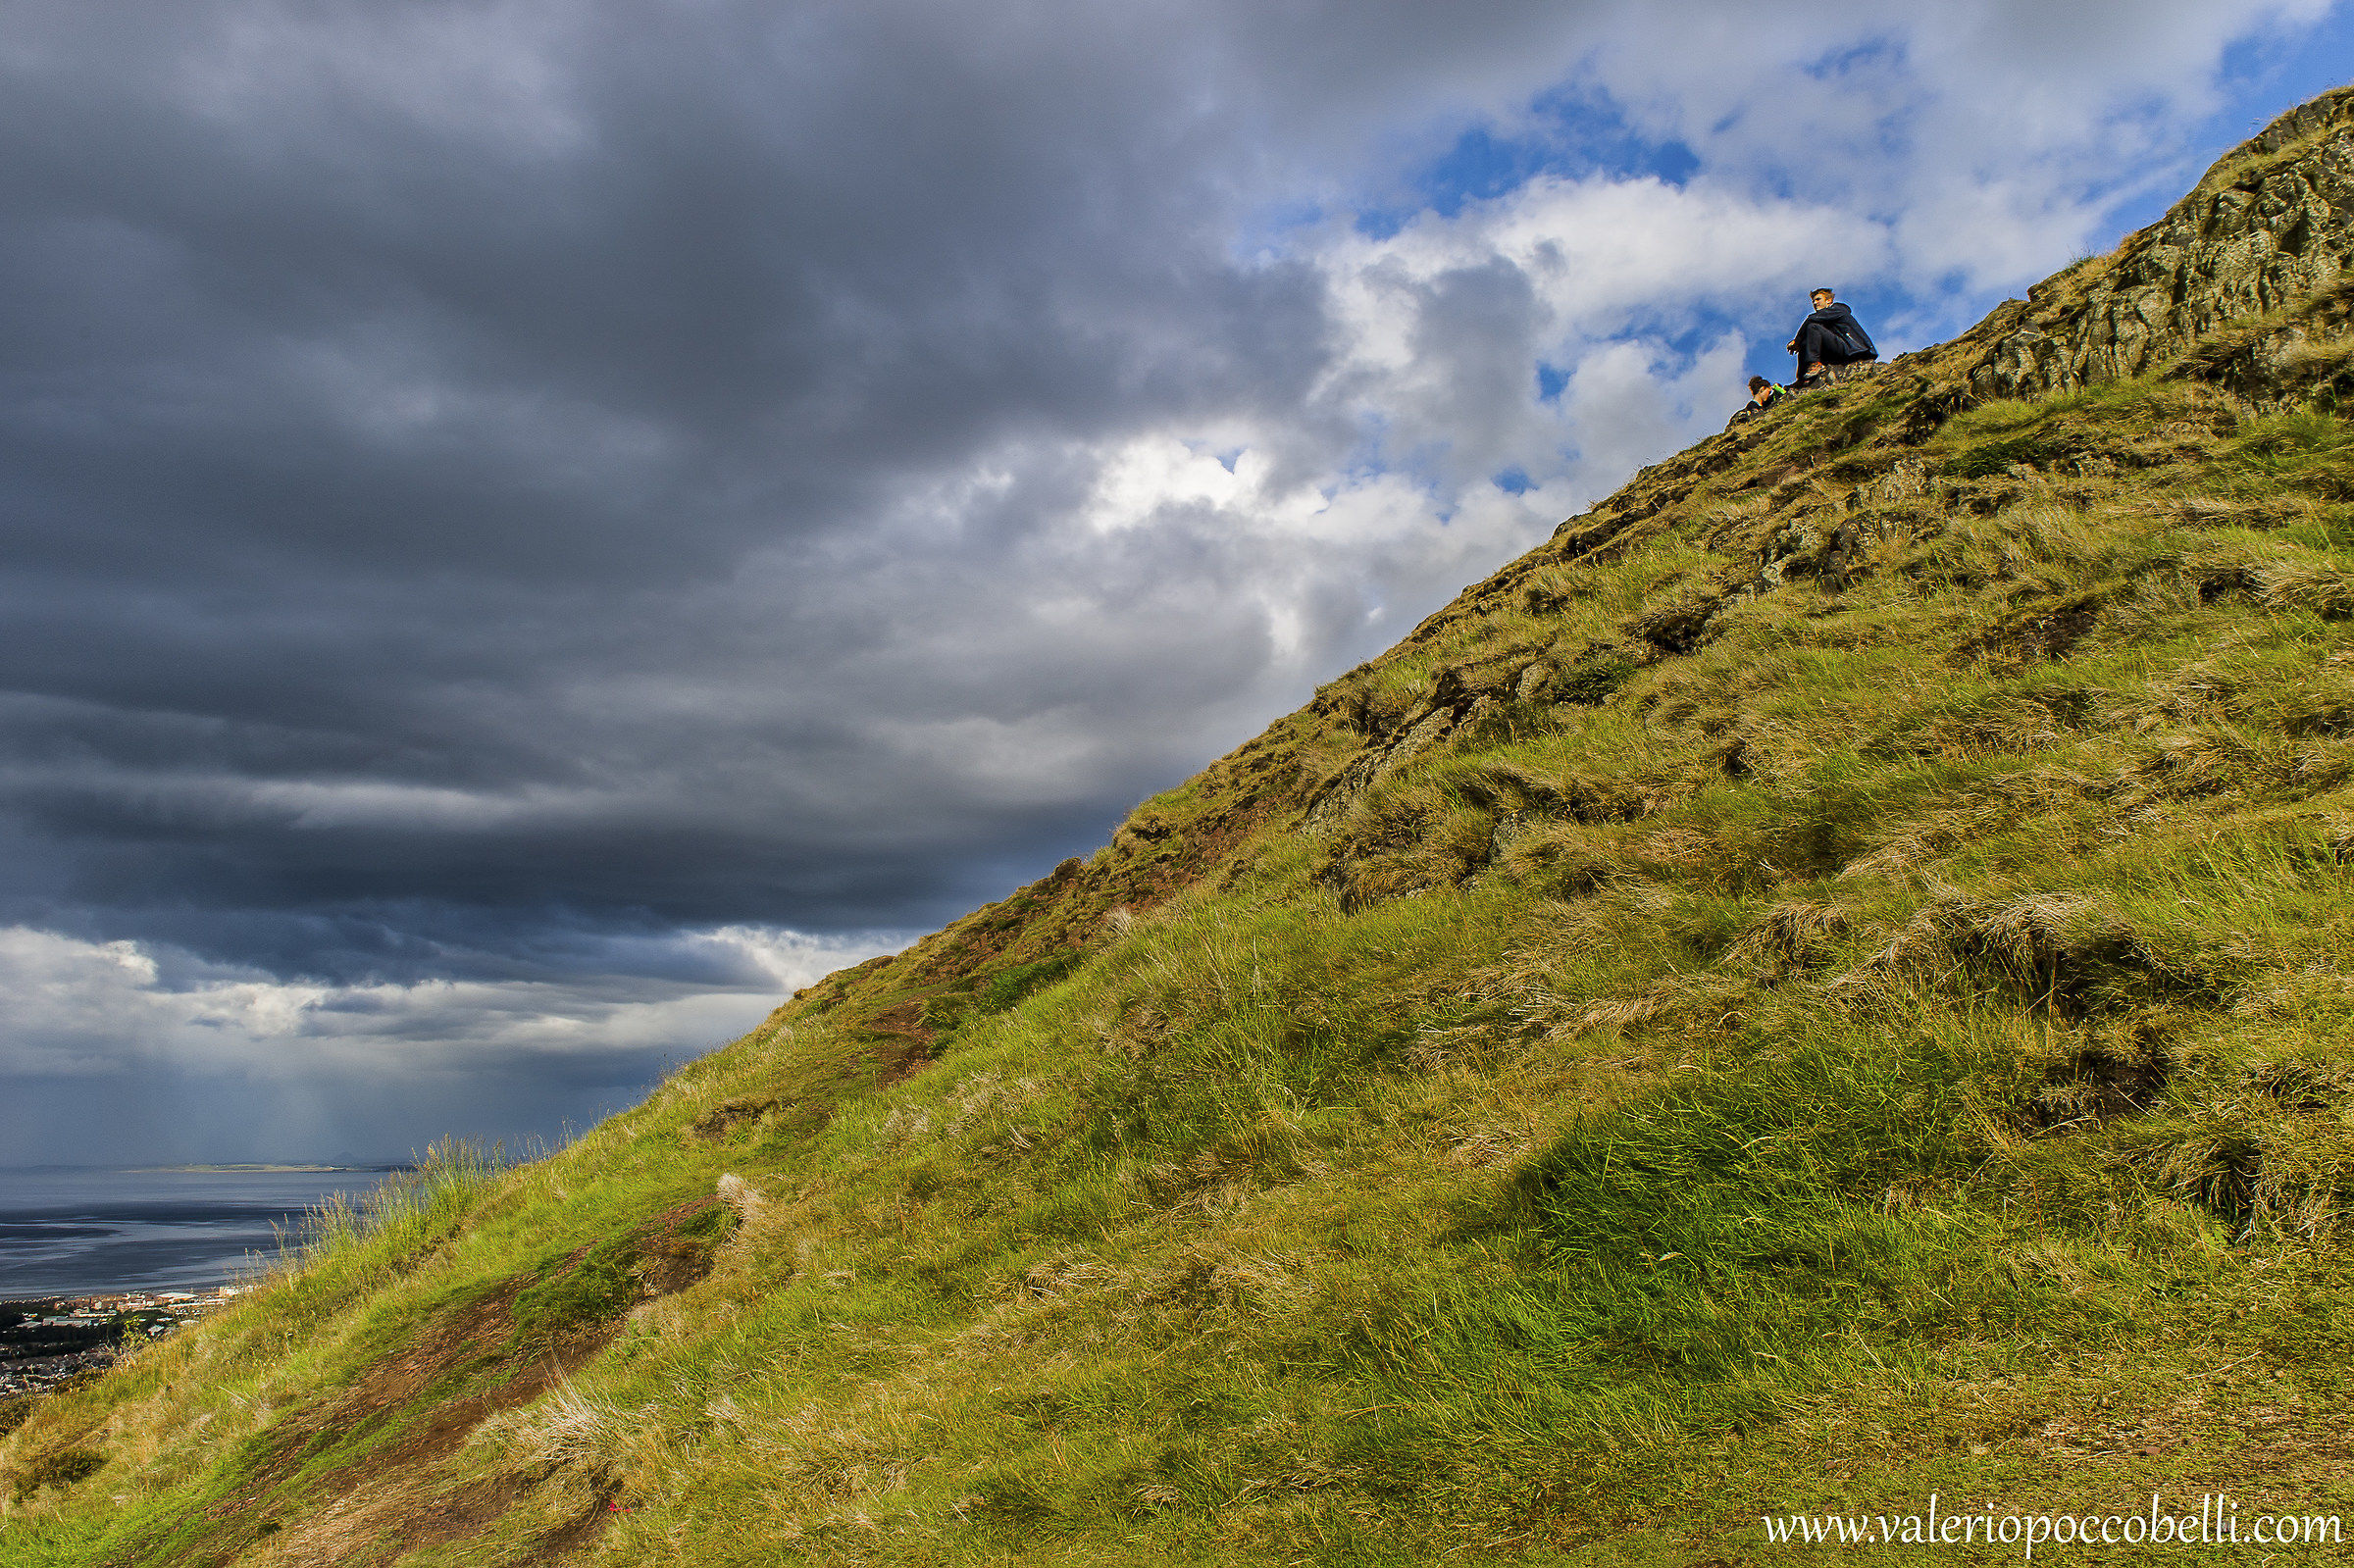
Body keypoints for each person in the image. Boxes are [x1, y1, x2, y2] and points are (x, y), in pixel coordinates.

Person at [1786, 287, 1877, 387]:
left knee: (1813, 327)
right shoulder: (1826, 318)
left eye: (1818, 299)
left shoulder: (1838, 309)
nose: (1815, 303)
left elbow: (1811, 319)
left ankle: (1815, 364)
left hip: (1852, 349)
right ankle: (1802, 379)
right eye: (1813, 301)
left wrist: (1797, 341)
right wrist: (1801, 342)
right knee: (1806, 340)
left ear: (1828, 300)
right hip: (1841, 352)